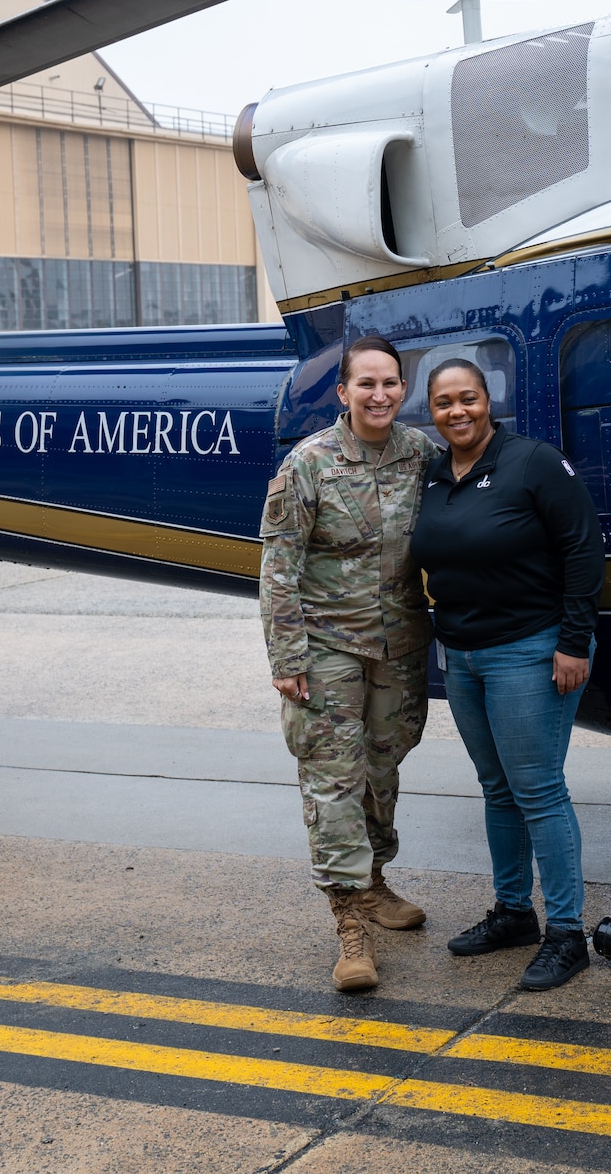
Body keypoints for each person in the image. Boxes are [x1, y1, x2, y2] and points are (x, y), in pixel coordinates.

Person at [411, 358, 605, 991]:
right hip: (463, 654)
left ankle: (567, 934)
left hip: (530, 648)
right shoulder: (435, 473)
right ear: (431, 412)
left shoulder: (533, 462)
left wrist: (573, 642)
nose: (456, 412)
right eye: (443, 403)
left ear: (487, 401)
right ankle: (514, 913)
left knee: (539, 790)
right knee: (496, 789)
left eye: (467, 399)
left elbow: (582, 547)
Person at [259, 334, 435, 993]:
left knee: (383, 767)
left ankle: (375, 878)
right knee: (334, 778)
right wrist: (287, 654)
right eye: (366, 383)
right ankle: (349, 924)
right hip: (328, 647)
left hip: (400, 646)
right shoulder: (309, 463)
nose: (380, 393)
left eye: (390, 382)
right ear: (343, 392)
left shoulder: (422, 454)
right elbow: (279, 565)